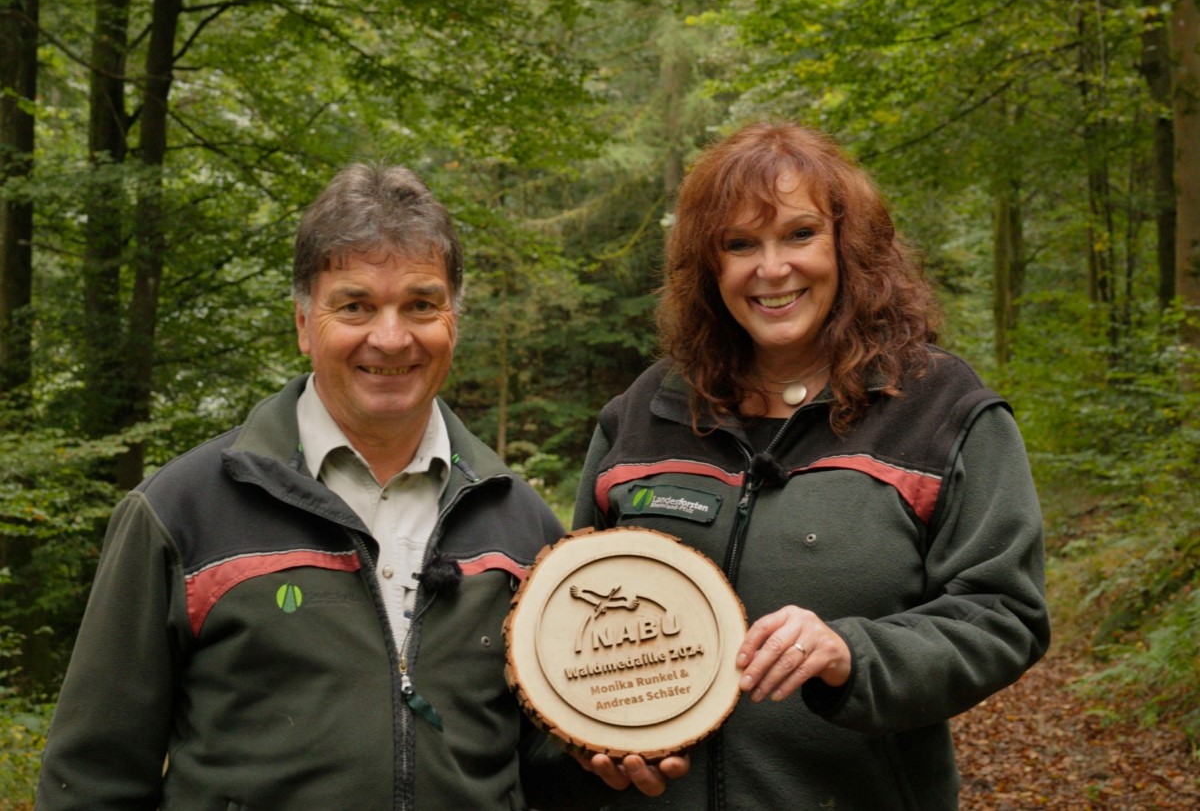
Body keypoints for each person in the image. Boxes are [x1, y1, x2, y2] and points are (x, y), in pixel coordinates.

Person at [36, 163, 641, 809]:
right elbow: (91, 780)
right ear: (303, 323)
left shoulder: (520, 526)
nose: (390, 336)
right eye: (355, 305)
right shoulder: (181, 513)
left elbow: (544, 771)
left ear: (453, 323)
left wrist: (607, 754)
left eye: (421, 305)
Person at [573, 121, 1051, 809]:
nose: (771, 269)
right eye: (740, 244)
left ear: (846, 245)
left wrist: (853, 655)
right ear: (710, 267)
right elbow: (566, 622)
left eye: (799, 234)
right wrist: (590, 743)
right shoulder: (647, 408)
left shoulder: (939, 407)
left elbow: (1005, 613)